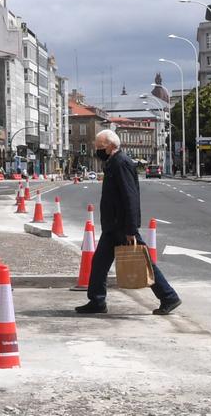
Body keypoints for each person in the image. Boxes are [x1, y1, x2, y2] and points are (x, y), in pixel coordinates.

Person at [76, 128, 181, 317]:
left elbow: (130, 196)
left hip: (122, 226)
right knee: (99, 263)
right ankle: (97, 301)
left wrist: (131, 228)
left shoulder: (121, 163)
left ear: (109, 146)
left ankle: (169, 297)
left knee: (143, 260)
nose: (97, 150)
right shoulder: (113, 162)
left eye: (99, 146)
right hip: (113, 225)